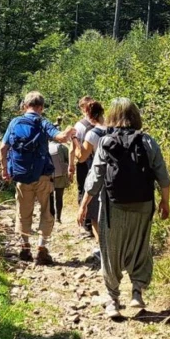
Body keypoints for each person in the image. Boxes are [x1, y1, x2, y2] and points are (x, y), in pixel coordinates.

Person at [78, 98, 170, 318]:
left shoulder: (106, 141)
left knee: (111, 251)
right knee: (140, 247)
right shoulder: (147, 141)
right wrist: (165, 202)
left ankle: (112, 300)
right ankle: (137, 293)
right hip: (143, 203)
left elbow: (95, 177)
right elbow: (163, 177)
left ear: (111, 115)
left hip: (113, 205)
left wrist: (84, 205)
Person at [0, 92, 74, 264]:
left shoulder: (14, 122)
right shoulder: (42, 122)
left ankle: (25, 247)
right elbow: (61, 137)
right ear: (41, 107)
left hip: (21, 176)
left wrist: (5, 170)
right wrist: (69, 130)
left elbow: (3, 147)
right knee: (47, 212)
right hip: (42, 177)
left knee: (23, 212)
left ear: (25, 106)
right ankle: (42, 249)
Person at [70, 97, 105, 263]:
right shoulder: (113, 129)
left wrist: (75, 141)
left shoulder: (92, 133)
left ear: (87, 113)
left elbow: (81, 157)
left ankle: (101, 249)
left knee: (94, 213)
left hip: (96, 173)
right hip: (115, 176)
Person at [47, 128, 71, 225]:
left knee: (50, 197)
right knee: (59, 197)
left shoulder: (45, 147)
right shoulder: (62, 148)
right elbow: (68, 161)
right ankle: (58, 218)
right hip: (60, 175)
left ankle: (51, 216)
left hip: (48, 176)